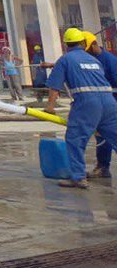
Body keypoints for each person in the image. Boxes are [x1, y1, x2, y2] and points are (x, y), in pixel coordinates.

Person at [45, 27, 117, 189]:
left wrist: (50, 107)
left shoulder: (65, 59)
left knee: (75, 138)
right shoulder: (94, 60)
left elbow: (55, 86)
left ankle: (78, 177)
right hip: (109, 101)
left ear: (66, 45)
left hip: (87, 102)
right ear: (83, 43)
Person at [84, 31, 117, 179]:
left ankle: (103, 167)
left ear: (94, 44)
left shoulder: (109, 60)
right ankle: (103, 167)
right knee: (102, 136)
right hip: (103, 103)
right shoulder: (92, 59)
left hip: (112, 100)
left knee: (109, 134)